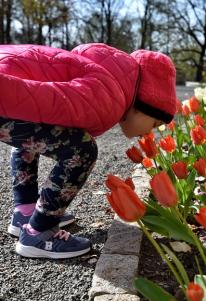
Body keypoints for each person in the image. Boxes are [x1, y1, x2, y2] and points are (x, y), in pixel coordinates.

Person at [0, 43, 177, 259]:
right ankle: (39, 233)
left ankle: (25, 213)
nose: (149, 133)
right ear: (142, 106)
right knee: (82, 150)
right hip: (5, 93)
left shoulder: (104, 74)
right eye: (154, 123)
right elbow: (46, 99)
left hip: (8, 83)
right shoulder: (108, 97)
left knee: (34, 133)